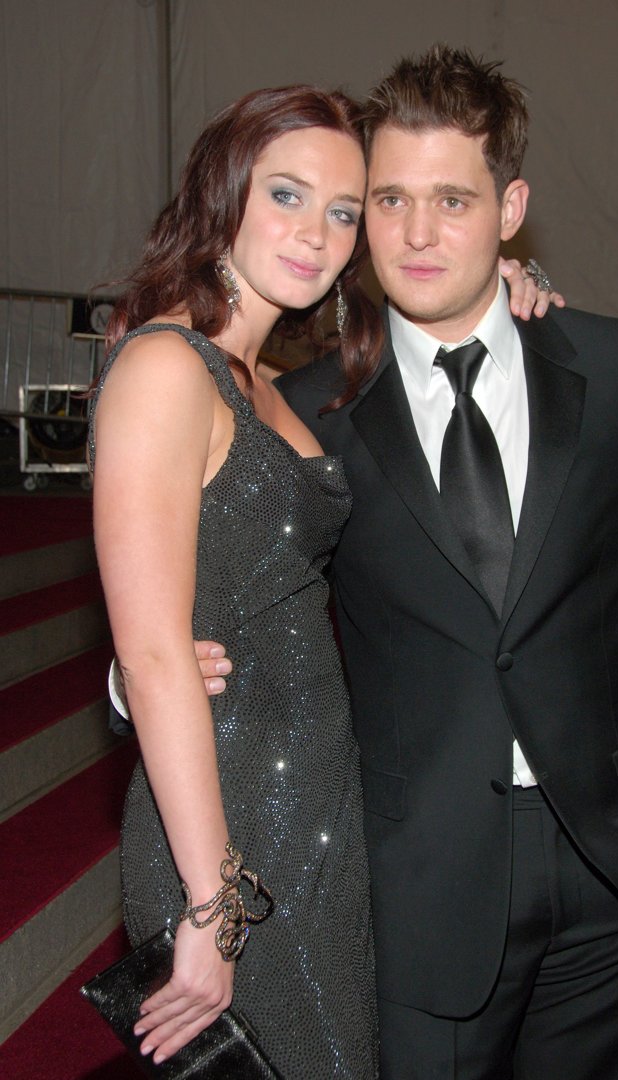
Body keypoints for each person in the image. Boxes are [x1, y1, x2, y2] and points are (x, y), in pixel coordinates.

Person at [273, 45, 618, 1079]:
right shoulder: (307, 418)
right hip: (422, 885)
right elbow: (252, 625)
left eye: (453, 200)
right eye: (391, 200)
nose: (418, 234)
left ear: (511, 208)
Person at [89, 85, 383, 1078]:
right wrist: (214, 905)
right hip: (230, 820)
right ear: (225, 192)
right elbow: (153, 650)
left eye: (343, 212)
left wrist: (517, 286)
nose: (316, 234)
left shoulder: (268, 381)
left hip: (318, 806)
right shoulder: (167, 368)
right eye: (287, 194)